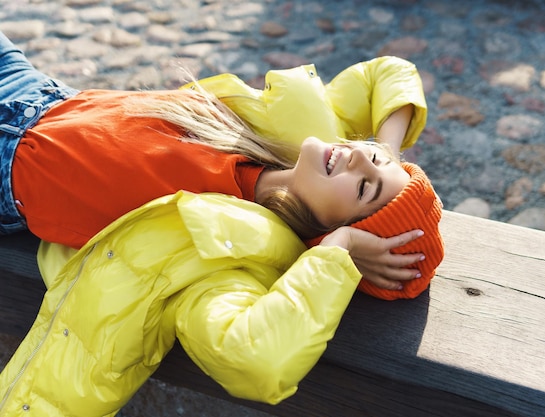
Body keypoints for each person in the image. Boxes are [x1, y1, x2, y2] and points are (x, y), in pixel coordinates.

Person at [0, 30, 444, 415]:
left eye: (365, 188)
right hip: (36, 92)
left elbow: (259, 361)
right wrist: (390, 154)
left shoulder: (231, 262)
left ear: (332, 229)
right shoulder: (293, 135)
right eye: (370, 158)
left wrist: (339, 250)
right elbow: (388, 71)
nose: (356, 160)